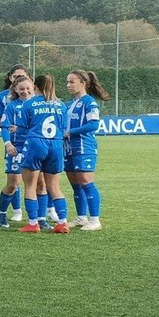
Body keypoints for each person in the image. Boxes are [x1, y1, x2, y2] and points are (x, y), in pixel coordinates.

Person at [16, 74, 70, 234]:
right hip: (56, 144)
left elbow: (22, 129)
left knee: (30, 186)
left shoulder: (29, 104)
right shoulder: (61, 105)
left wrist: (19, 148)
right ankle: (62, 222)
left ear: (34, 86)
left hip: (36, 143)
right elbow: (63, 127)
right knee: (54, 186)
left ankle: (33, 223)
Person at [64, 70, 107, 230]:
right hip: (69, 148)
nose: (68, 85)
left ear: (83, 83)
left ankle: (95, 220)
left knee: (86, 182)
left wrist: (70, 132)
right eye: (67, 82)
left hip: (84, 147)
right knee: (76, 185)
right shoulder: (70, 103)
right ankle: (81, 217)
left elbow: (93, 125)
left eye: (72, 81)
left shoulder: (89, 102)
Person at [0, 65, 31, 224]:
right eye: (16, 78)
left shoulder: (37, 103)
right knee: (13, 183)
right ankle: (2, 213)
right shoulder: (9, 104)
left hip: (34, 148)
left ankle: (40, 218)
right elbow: (2, 124)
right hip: (15, 148)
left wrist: (21, 128)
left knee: (39, 183)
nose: (25, 90)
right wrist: (4, 143)